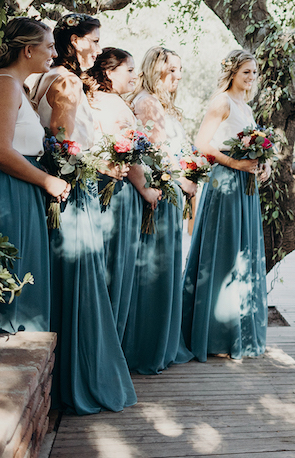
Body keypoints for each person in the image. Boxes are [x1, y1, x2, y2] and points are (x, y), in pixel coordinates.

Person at [33, 13, 137, 414]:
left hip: (69, 185)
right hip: (73, 191)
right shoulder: (66, 80)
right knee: (78, 280)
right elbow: (60, 144)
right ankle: (78, 378)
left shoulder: (44, 78)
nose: (97, 47)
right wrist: (101, 165)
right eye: (93, 40)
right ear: (74, 41)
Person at [0, 18, 68, 334]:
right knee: (9, 276)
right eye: (49, 46)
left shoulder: (18, 86)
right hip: (4, 188)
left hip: (21, 186)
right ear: (28, 50)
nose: (54, 54)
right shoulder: (2, 83)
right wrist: (47, 180)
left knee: (23, 275)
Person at [183, 49, 269, 361]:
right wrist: (235, 163)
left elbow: (252, 144)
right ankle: (215, 335)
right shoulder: (222, 101)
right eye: (246, 72)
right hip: (225, 182)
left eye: (254, 73)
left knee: (242, 253)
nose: (251, 78)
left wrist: (263, 163)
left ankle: (238, 331)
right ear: (232, 72)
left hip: (246, 184)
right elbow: (202, 143)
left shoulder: (246, 105)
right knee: (225, 250)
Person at [124, 47, 194, 374]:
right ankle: (146, 346)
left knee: (165, 267)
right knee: (153, 269)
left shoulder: (162, 104)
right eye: (172, 70)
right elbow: (153, 153)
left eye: (180, 70)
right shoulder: (148, 103)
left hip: (170, 191)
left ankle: (161, 341)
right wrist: (181, 180)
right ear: (155, 70)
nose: (178, 77)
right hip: (158, 194)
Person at [87, 48, 146, 342]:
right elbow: (128, 158)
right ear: (110, 73)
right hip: (118, 192)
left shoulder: (91, 100)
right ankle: (112, 341)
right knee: (116, 264)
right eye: (130, 70)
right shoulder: (118, 106)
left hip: (93, 185)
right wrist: (146, 189)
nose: (135, 76)